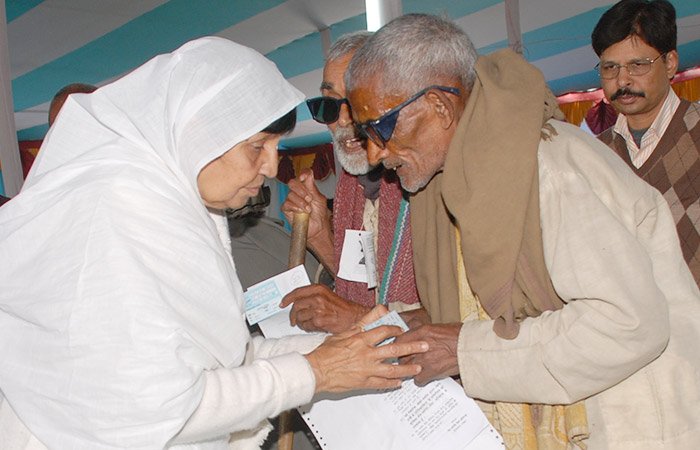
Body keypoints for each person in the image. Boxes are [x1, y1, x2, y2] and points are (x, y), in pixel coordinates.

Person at [0, 37, 429, 450]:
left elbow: (226, 359)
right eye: (257, 147)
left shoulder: (179, 203)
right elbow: (163, 408)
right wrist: (316, 372)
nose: (270, 166)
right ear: (199, 133)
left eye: (277, 147)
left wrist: (339, 349)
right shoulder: (118, 216)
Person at [345, 13, 700, 449]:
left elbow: (628, 325)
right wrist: (418, 321)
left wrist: (463, 349)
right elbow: (489, 302)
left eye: (381, 128)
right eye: (365, 133)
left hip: (635, 426)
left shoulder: (545, 166)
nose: (376, 153)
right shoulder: (457, 181)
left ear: (439, 106)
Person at [280, 31, 422, 333]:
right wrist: (319, 236)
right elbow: (370, 288)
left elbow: (466, 316)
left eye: (358, 102)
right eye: (329, 106)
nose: (343, 120)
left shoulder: (428, 181)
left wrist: (357, 320)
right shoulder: (351, 188)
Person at [593, 0, 700, 284]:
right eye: (610, 67)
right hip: (633, 323)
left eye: (637, 65)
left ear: (670, 63)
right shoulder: (595, 154)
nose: (622, 80)